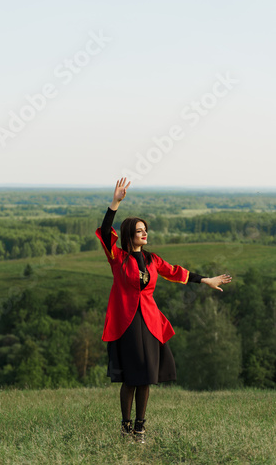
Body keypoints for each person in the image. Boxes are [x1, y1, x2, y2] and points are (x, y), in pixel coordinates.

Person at [95, 178, 232, 443]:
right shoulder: (118, 258)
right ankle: (125, 427)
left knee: (146, 374)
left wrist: (206, 280)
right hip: (126, 322)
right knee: (130, 378)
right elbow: (104, 229)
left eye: (145, 229)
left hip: (149, 321)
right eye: (139, 231)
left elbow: (176, 272)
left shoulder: (152, 259)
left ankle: (140, 428)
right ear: (128, 235)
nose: (144, 234)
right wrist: (115, 203)